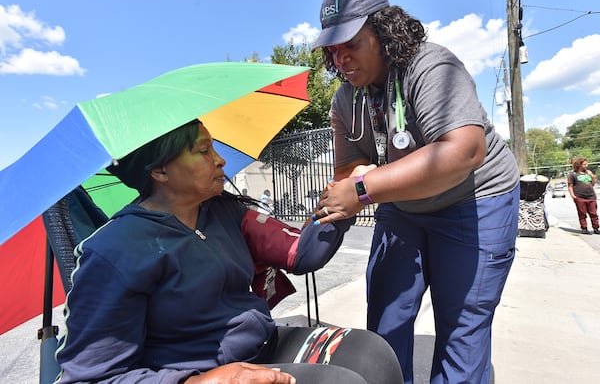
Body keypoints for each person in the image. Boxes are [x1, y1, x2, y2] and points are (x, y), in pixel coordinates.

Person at [54, 119, 403, 384]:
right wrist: (200, 381)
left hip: (262, 344)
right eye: (203, 151)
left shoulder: (225, 211)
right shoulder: (113, 251)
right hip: (196, 373)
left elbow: (303, 253)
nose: (220, 160)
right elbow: (92, 377)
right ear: (159, 170)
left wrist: (347, 199)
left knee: (373, 355)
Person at [310, 0, 520, 384]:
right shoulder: (344, 99)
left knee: (462, 328)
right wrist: (349, 182)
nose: (341, 61)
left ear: (384, 31)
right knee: (386, 318)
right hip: (404, 208)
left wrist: (363, 188)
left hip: (475, 199)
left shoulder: (431, 66)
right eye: (333, 51)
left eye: (351, 44)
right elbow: (350, 164)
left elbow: (463, 150)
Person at [567, 156, 599, 234]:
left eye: (586, 164)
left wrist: (593, 177)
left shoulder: (588, 173)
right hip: (580, 197)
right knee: (582, 213)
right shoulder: (573, 174)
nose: (586, 165)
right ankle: (584, 228)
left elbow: (592, 184)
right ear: (579, 165)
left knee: (593, 213)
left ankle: (596, 228)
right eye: (584, 164)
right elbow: (570, 186)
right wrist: (573, 196)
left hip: (591, 196)